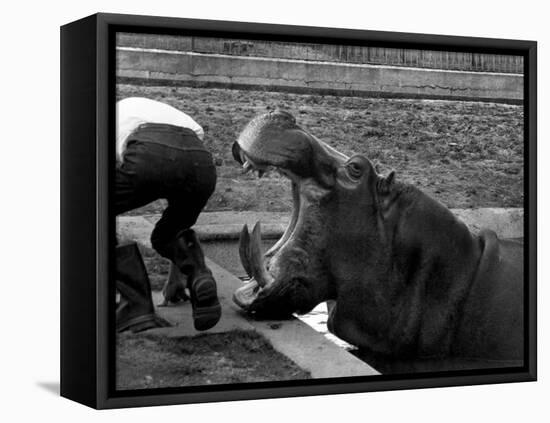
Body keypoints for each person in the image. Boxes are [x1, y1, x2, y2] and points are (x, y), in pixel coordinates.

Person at [115, 97, 221, 333]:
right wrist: (176, 278)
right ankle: (199, 275)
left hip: (148, 151)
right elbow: (179, 168)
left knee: (91, 214)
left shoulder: (110, 118)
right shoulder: (165, 113)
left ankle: (136, 305)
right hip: (201, 162)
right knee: (169, 232)